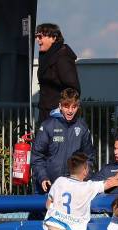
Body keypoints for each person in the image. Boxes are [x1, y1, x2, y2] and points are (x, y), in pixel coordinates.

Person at [30, 88, 96, 220]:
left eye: (74, 106)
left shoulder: (82, 127)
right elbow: (37, 156)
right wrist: (43, 177)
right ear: (60, 106)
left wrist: (83, 177)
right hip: (49, 187)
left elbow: (89, 158)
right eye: (66, 106)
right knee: (44, 225)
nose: (70, 110)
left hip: (73, 188)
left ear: (78, 106)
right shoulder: (48, 125)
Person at [35, 23, 81, 123]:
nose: (37, 40)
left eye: (40, 36)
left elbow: (73, 87)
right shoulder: (47, 56)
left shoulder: (62, 57)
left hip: (58, 114)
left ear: (54, 37)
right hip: (46, 111)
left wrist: (66, 110)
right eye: (36, 36)